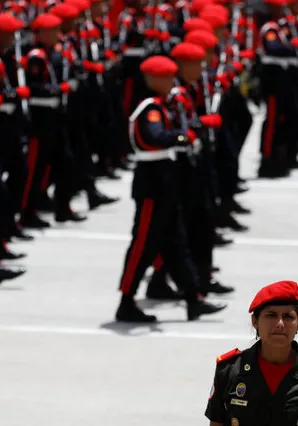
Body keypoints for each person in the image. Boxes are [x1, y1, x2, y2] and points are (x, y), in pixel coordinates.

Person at [115, 55, 226, 322]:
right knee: (142, 245)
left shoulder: (165, 106)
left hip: (167, 180)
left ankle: (192, 298)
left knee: (177, 244)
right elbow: (153, 137)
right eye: (164, 78)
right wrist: (182, 136)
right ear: (152, 80)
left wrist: (195, 127)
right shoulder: (149, 108)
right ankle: (126, 300)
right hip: (152, 181)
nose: (169, 83)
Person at [205, 280, 298, 426]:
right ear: (255, 321)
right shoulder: (229, 370)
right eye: (271, 315)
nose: (280, 324)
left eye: (288, 317)